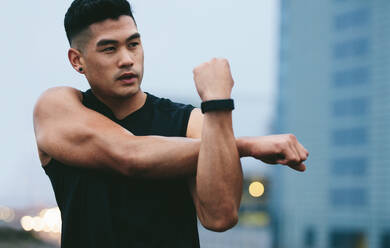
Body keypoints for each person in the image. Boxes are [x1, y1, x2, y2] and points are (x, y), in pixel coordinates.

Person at [33, 0, 309, 247]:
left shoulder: (191, 122)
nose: (127, 59)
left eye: (133, 44)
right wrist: (247, 145)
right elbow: (129, 155)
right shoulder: (58, 108)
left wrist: (217, 101)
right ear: (77, 60)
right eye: (109, 49)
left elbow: (220, 216)